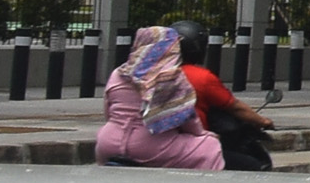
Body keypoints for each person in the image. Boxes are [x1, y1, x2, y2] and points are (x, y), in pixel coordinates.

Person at [94, 23, 219, 171]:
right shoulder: (170, 76)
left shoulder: (118, 73)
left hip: (107, 143)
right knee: (210, 146)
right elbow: (186, 118)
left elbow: (108, 112)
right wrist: (203, 134)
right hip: (149, 146)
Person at [180, 28, 278, 172]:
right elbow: (234, 106)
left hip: (154, 141)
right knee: (253, 166)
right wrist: (263, 121)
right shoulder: (202, 77)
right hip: (193, 143)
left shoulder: (152, 73)